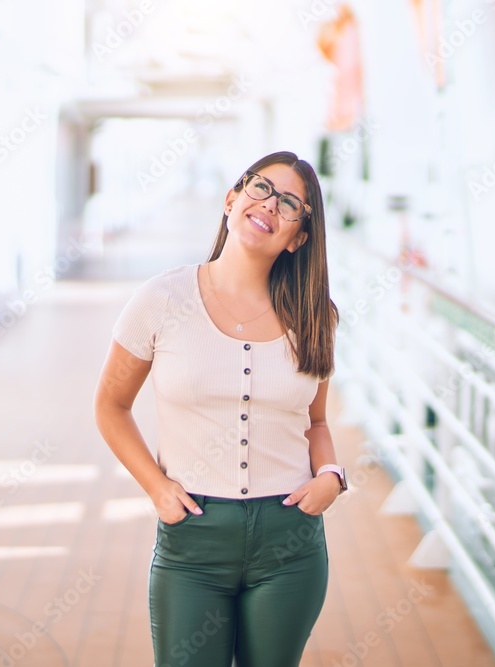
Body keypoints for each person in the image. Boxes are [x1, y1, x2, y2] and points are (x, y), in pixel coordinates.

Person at [94, 150, 345, 667]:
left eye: (290, 203)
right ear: (232, 198)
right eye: (261, 189)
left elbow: (315, 421)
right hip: (194, 540)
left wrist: (332, 475)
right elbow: (111, 406)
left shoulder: (316, 316)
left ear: (298, 237)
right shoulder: (162, 299)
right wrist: (158, 488)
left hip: (290, 542)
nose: (270, 205)